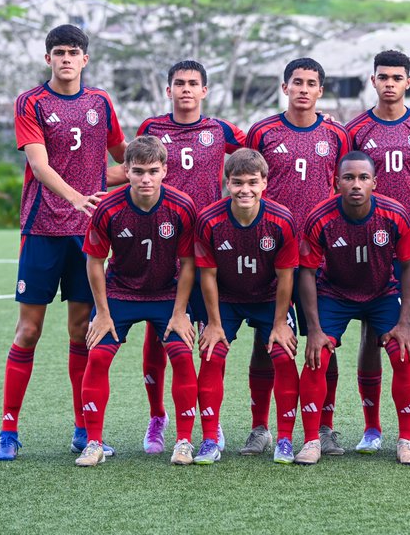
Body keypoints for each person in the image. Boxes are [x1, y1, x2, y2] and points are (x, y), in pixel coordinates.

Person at [0, 24, 127, 461]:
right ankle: (8, 431)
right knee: (28, 330)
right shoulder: (31, 102)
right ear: (47, 58)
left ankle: (83, 428)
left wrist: (156, 162)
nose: (66, 59)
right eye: (58, 52)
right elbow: (40, 164)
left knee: (80, 331)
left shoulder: (101, 103)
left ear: (85, 59)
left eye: (73, 52)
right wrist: (78, 197)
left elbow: (126, 157)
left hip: (88, 234)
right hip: (43, 229)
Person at [133, 60, 245, 454]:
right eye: (178, 83)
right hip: (162, 242)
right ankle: (157, 418)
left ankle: (211, 421)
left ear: (205, 91)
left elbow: (258, 155)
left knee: (212, 330)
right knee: (158, 331)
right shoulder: (151, 129)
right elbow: (135, 170)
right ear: (168, 90)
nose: (185, 89)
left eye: (192, 84)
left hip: (210, 244)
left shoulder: (221, 130)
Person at [243, 57, 351, 456]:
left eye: (311, 83)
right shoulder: (263, 131)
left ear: (321, 90)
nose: (304, 89)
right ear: (285, 87)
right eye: (297, 82)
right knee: (266, 339)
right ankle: (259, 428)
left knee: (323, 341)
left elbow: (345, 186)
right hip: (272, 252)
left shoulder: (337, 135)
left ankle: (325, 427)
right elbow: (247, 184)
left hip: (323, 253)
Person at [75, 136, 200, 466]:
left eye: (153, 171)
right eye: (139, 171)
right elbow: (94, 262)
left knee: (183, 356)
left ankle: (184, 442)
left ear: (165, 171)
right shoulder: (108, 208)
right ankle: (94, 443)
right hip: (120, 293)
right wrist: (102, 313)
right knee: (98, 358)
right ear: (126, 171)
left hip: (167, 294)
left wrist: (180, 313)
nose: (146, 179)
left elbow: (189, 264)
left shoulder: (182, 206)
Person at [344, 50, 410, 453]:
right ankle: (372, 428)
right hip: (367, 247)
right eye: (382, 76)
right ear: (373, 81)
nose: (389, 83)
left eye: (396, 77)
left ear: (408, 82)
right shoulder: (355, 130)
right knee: (372, 333)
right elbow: (346, 183)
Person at [296, 151, 410, 466]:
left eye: (363, 178)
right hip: (335, 294)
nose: (356, 184)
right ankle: (312, 440)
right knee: (317, 355)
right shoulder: (320, 217)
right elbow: (307, 273)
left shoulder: (394, 215)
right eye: (349, 178)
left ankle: (406, 441)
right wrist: (313, 330)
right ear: (336, 182)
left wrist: (405, 322)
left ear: (374, 183)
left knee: (403, 351)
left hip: (382, 293)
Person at [192, 148, 300, 464]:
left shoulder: (282, 219)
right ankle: (210, 440)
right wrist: (213, 323)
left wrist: (281, 323)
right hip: (226, 299)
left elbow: (285, 278)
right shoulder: (209, 219)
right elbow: (207, 276)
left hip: (269, 299)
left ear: (265, 182)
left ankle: (284, 439)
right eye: (237, 182)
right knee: (211, 353)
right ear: (227, 182)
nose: (245, 190)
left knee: (282, 354)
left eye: (253, 182)